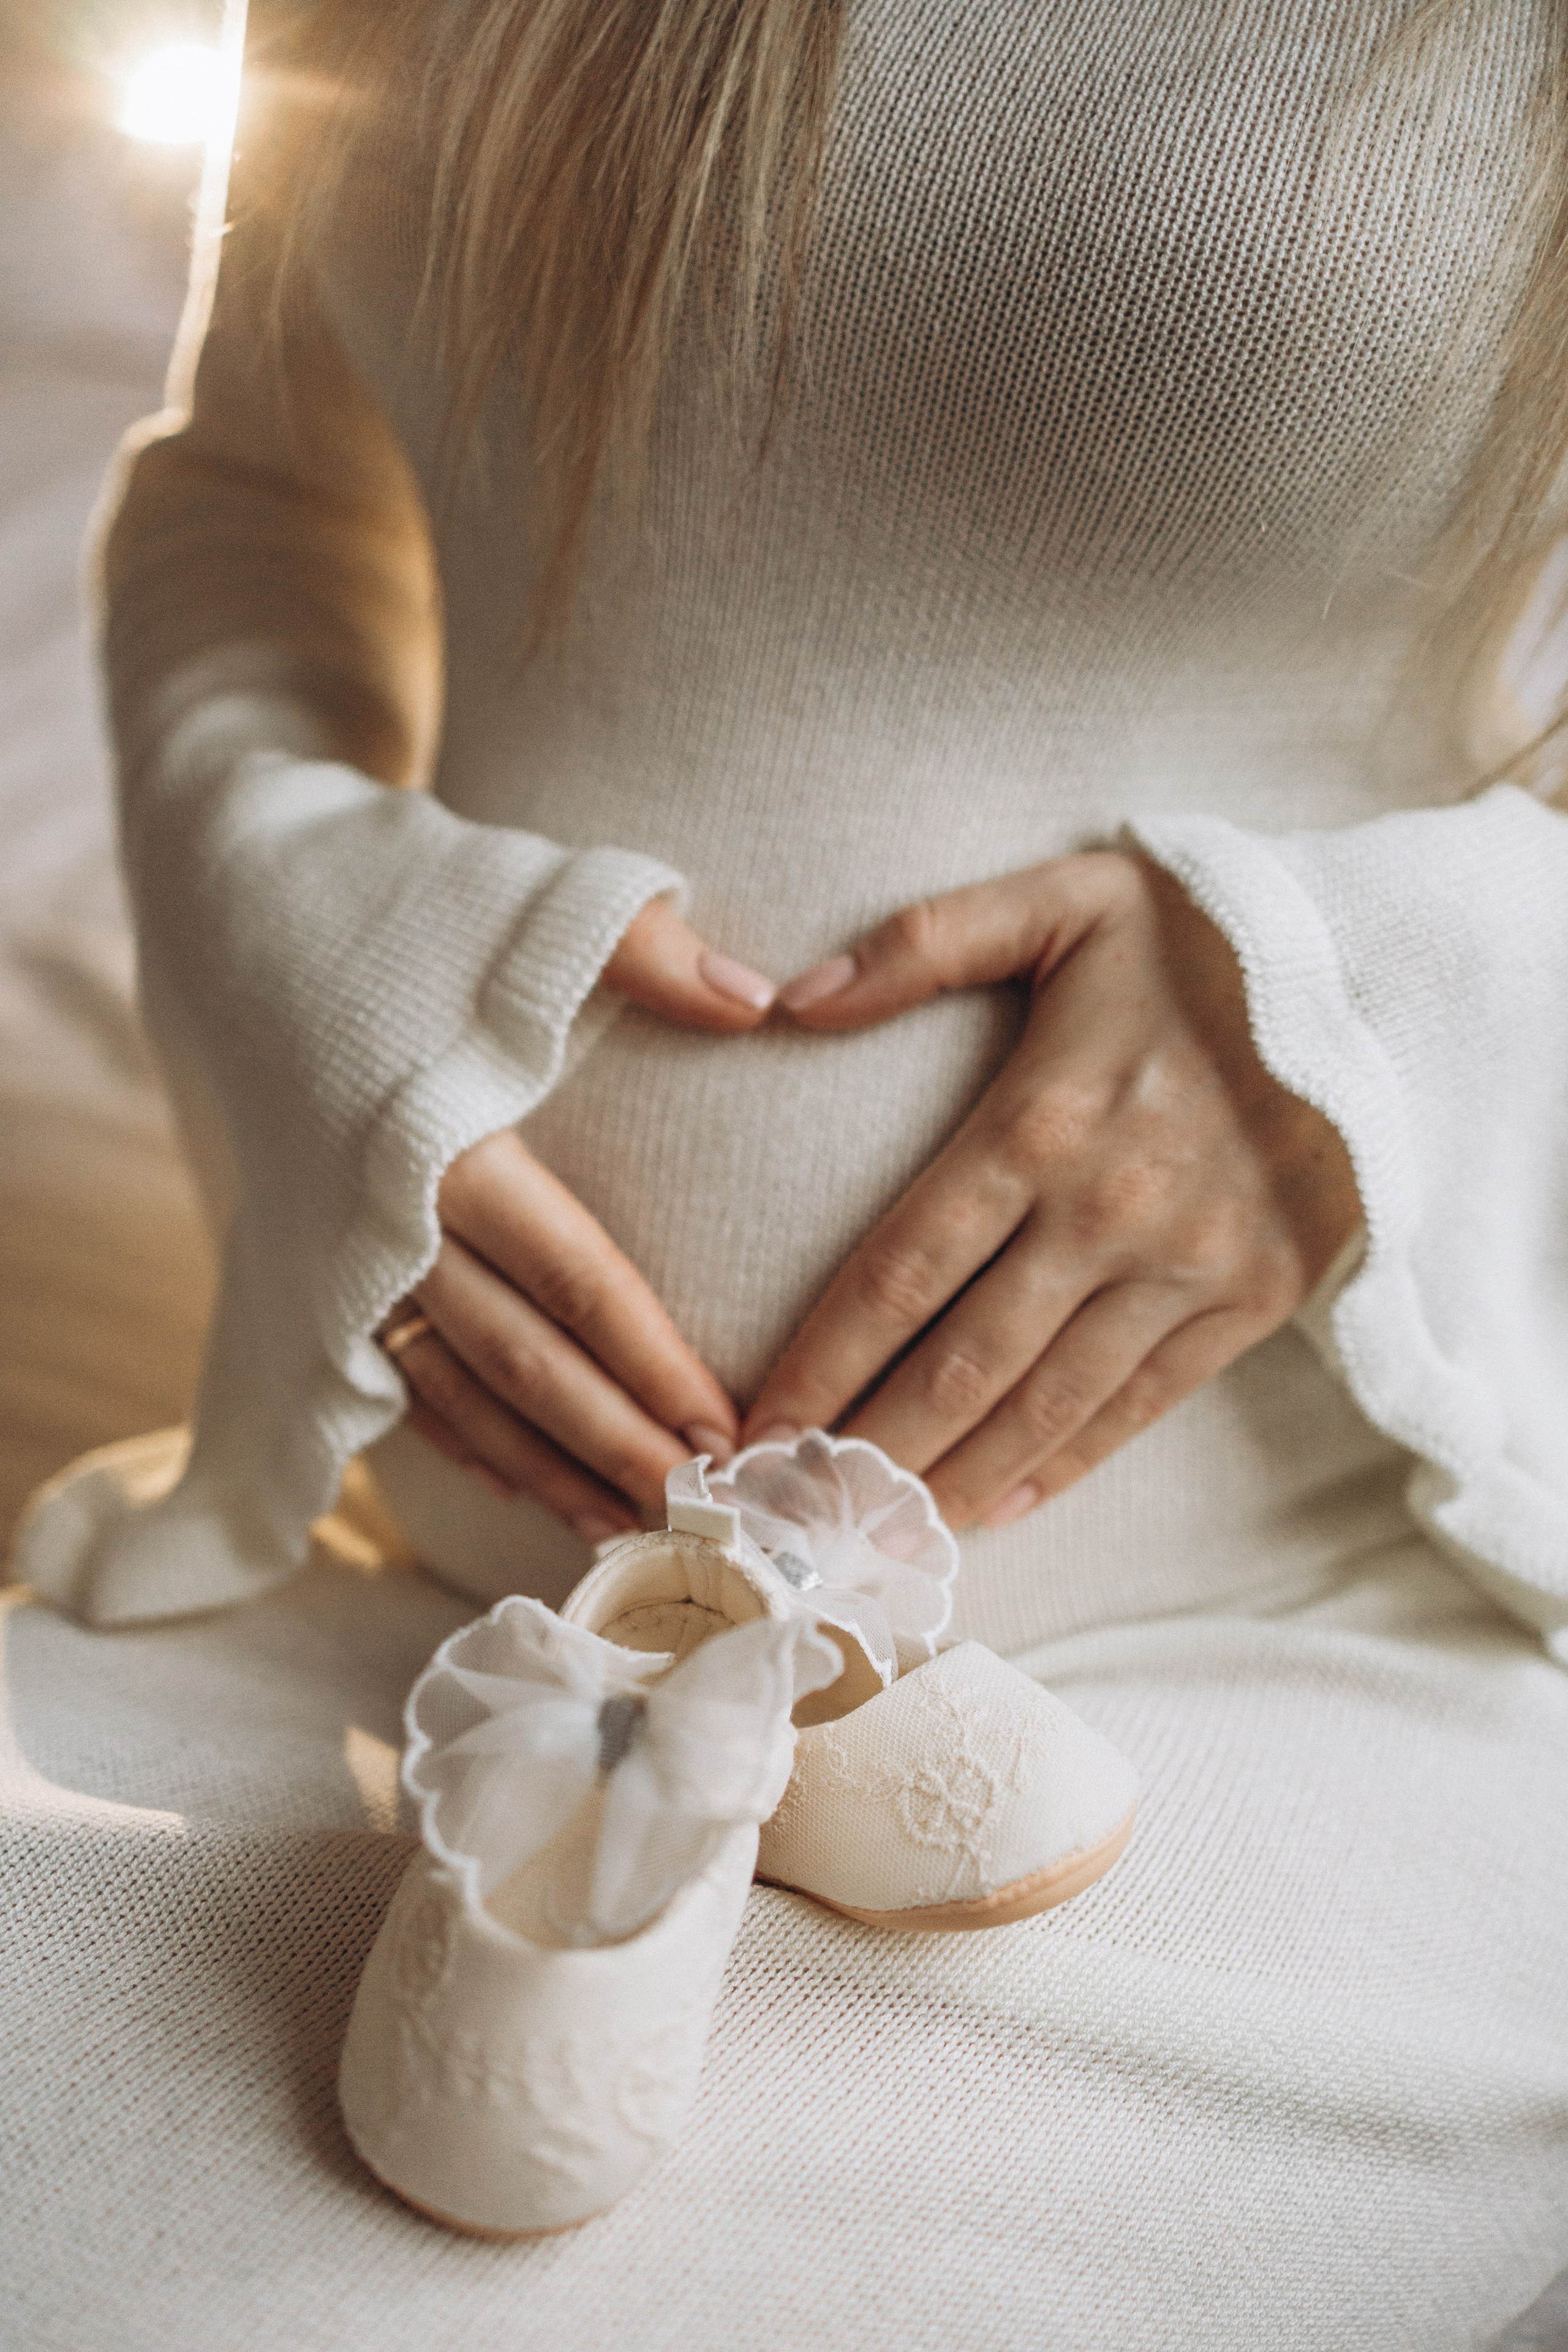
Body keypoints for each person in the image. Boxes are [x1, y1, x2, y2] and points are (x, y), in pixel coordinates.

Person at [18, 1, 1568, 2340]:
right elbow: (249, 497)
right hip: (400, 1607)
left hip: (1287, 1640)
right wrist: (323, 973)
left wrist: (1365, 1007)